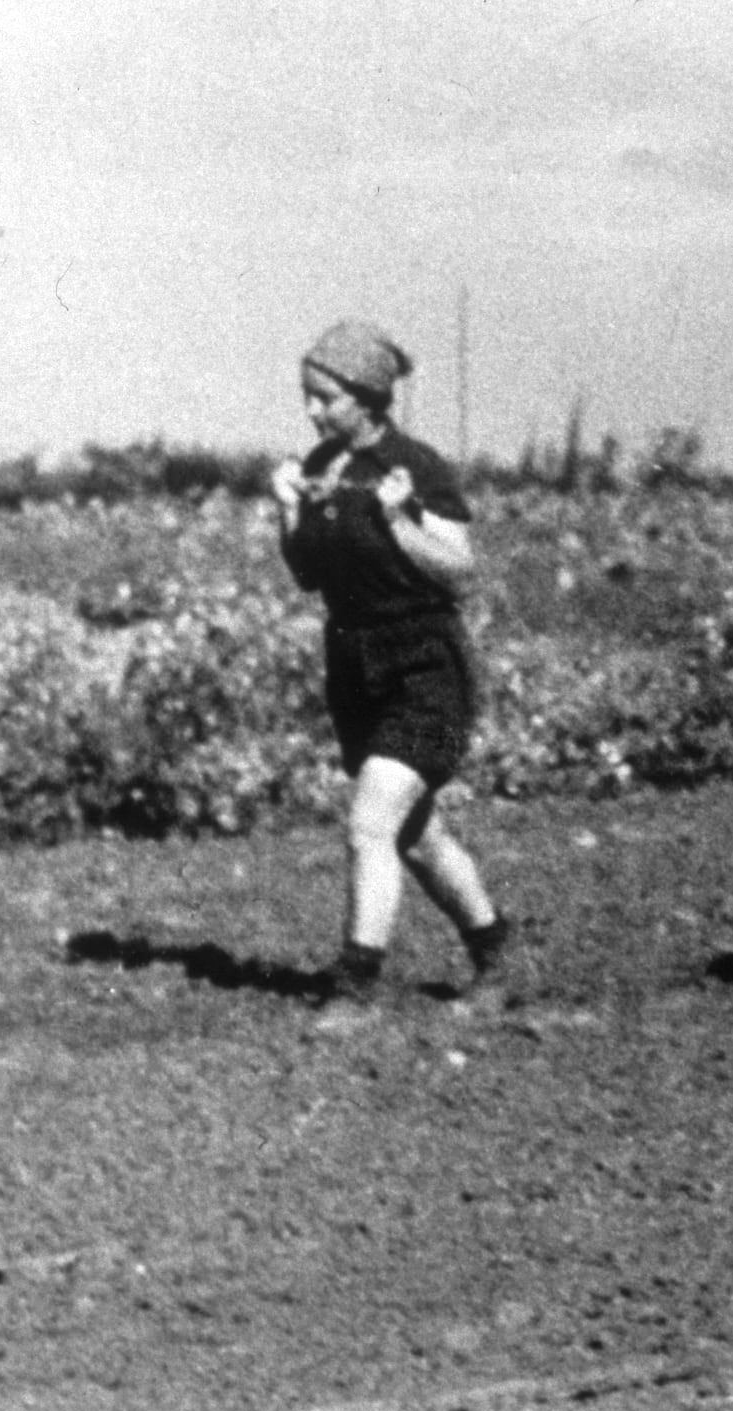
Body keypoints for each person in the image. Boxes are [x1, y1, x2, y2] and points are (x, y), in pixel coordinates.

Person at [269, 319, 512, 1027]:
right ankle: (495, 954)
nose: (312, 410)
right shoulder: (325, 464)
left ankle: (355, 987)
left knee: (370, 825)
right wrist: (288, 512)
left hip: (424, 667)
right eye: (308, 396)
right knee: (417, 836)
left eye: (325, 397)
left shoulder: (419, 467)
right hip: (354, 668)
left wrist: (400, 518)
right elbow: (309, 573)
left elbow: (459, 570)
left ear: (368, 396)